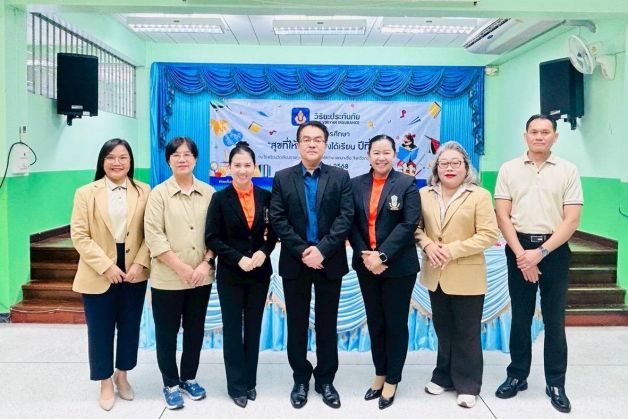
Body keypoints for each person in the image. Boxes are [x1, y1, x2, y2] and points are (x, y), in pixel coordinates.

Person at [493, 115, 582, 414]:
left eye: (545, 132)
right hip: (518, 247)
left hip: (554, 250)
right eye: (534, 132)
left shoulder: (568, 170)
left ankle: (556, 382)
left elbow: (571, 220)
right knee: (520, 316)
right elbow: (502, 215)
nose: (539, 136)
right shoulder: (509, 169)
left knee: (555, 319)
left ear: (555, 137)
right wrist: (522, 255)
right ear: (525, 136)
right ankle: (517, 375)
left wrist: (540, 253)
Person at [269, 120, 354, 409]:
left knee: (327, 324)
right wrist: (305, 250)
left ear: (326, 144)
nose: (312, 143)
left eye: (318, 139)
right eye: (306, 139)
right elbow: (278, 218)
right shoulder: (282, 177)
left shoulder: (340, 177)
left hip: (330, 262)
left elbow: (345, 217)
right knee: (296, 323)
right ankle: (301, 379)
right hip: (296, 261)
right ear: (297, 145)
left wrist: (322, 250)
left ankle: (326, 380)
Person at [414, 141, 499, 409]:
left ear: (466, 167)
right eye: (444, 163)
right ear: (436, 168)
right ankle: (443, 376)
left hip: (467, 274)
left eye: (455, 163)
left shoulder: (479, 195)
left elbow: (488, 234)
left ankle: (467, 384)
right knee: (443, 329)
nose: (449, 168)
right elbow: (415, 228)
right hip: (435, 273)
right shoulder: (424, 194)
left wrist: (451, 250)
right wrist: (428, 245)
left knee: (467, 332)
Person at [70, 138, 150, 411]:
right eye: (111, 157)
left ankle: (122, 376)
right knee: (100, 330)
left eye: (123, 157)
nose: (117, 163)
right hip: (98, 270)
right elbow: (79, 235)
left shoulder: (144, 190)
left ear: (130, 161)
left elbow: (151, 231)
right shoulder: (86, 193)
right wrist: (106, 266)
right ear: (102, 161)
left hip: (134, 269)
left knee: (129, 327)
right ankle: (105, 382)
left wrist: (139, 263)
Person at [349, 134, 421, 410]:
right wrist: (366, 255)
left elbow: (408, 224)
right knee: (376, 322)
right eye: (376, 152)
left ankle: (392, 379)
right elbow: (350, 223)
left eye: (386, 152)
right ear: (368, 155)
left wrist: (381, 255)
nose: (381, 157)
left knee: (395, 323)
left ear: (394, 155)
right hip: (366, 265)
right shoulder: (355, 184)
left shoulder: (406, 183)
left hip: (398, 267)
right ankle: (380, 372)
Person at [144, 137, 216, 410]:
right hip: (168, 278)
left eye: (187, 154)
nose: (182, 159)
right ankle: (171, 383)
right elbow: (154, 235)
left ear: (196, 159)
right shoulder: (159, 194)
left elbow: (216, 232)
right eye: (176, 155)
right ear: (169, 160)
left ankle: (189, 378)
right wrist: (181, 267)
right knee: (167, 332)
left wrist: (205, 263)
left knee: (195, 330)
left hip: (201, 277)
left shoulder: (209, 192)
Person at [205, 141, 278, 408]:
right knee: (233, 329)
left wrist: (264, 251)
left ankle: (250, 382)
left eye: (248, 165)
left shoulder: (266, 197)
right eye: (237, 165)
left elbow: (274, 234)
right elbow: (212, 238)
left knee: (254, 328)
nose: (243, 170)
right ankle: (236, 386)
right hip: (231, 275)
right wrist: (238, 258)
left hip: (259, 274)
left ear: (255, 167)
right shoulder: (219, 199)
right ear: (229, 168)